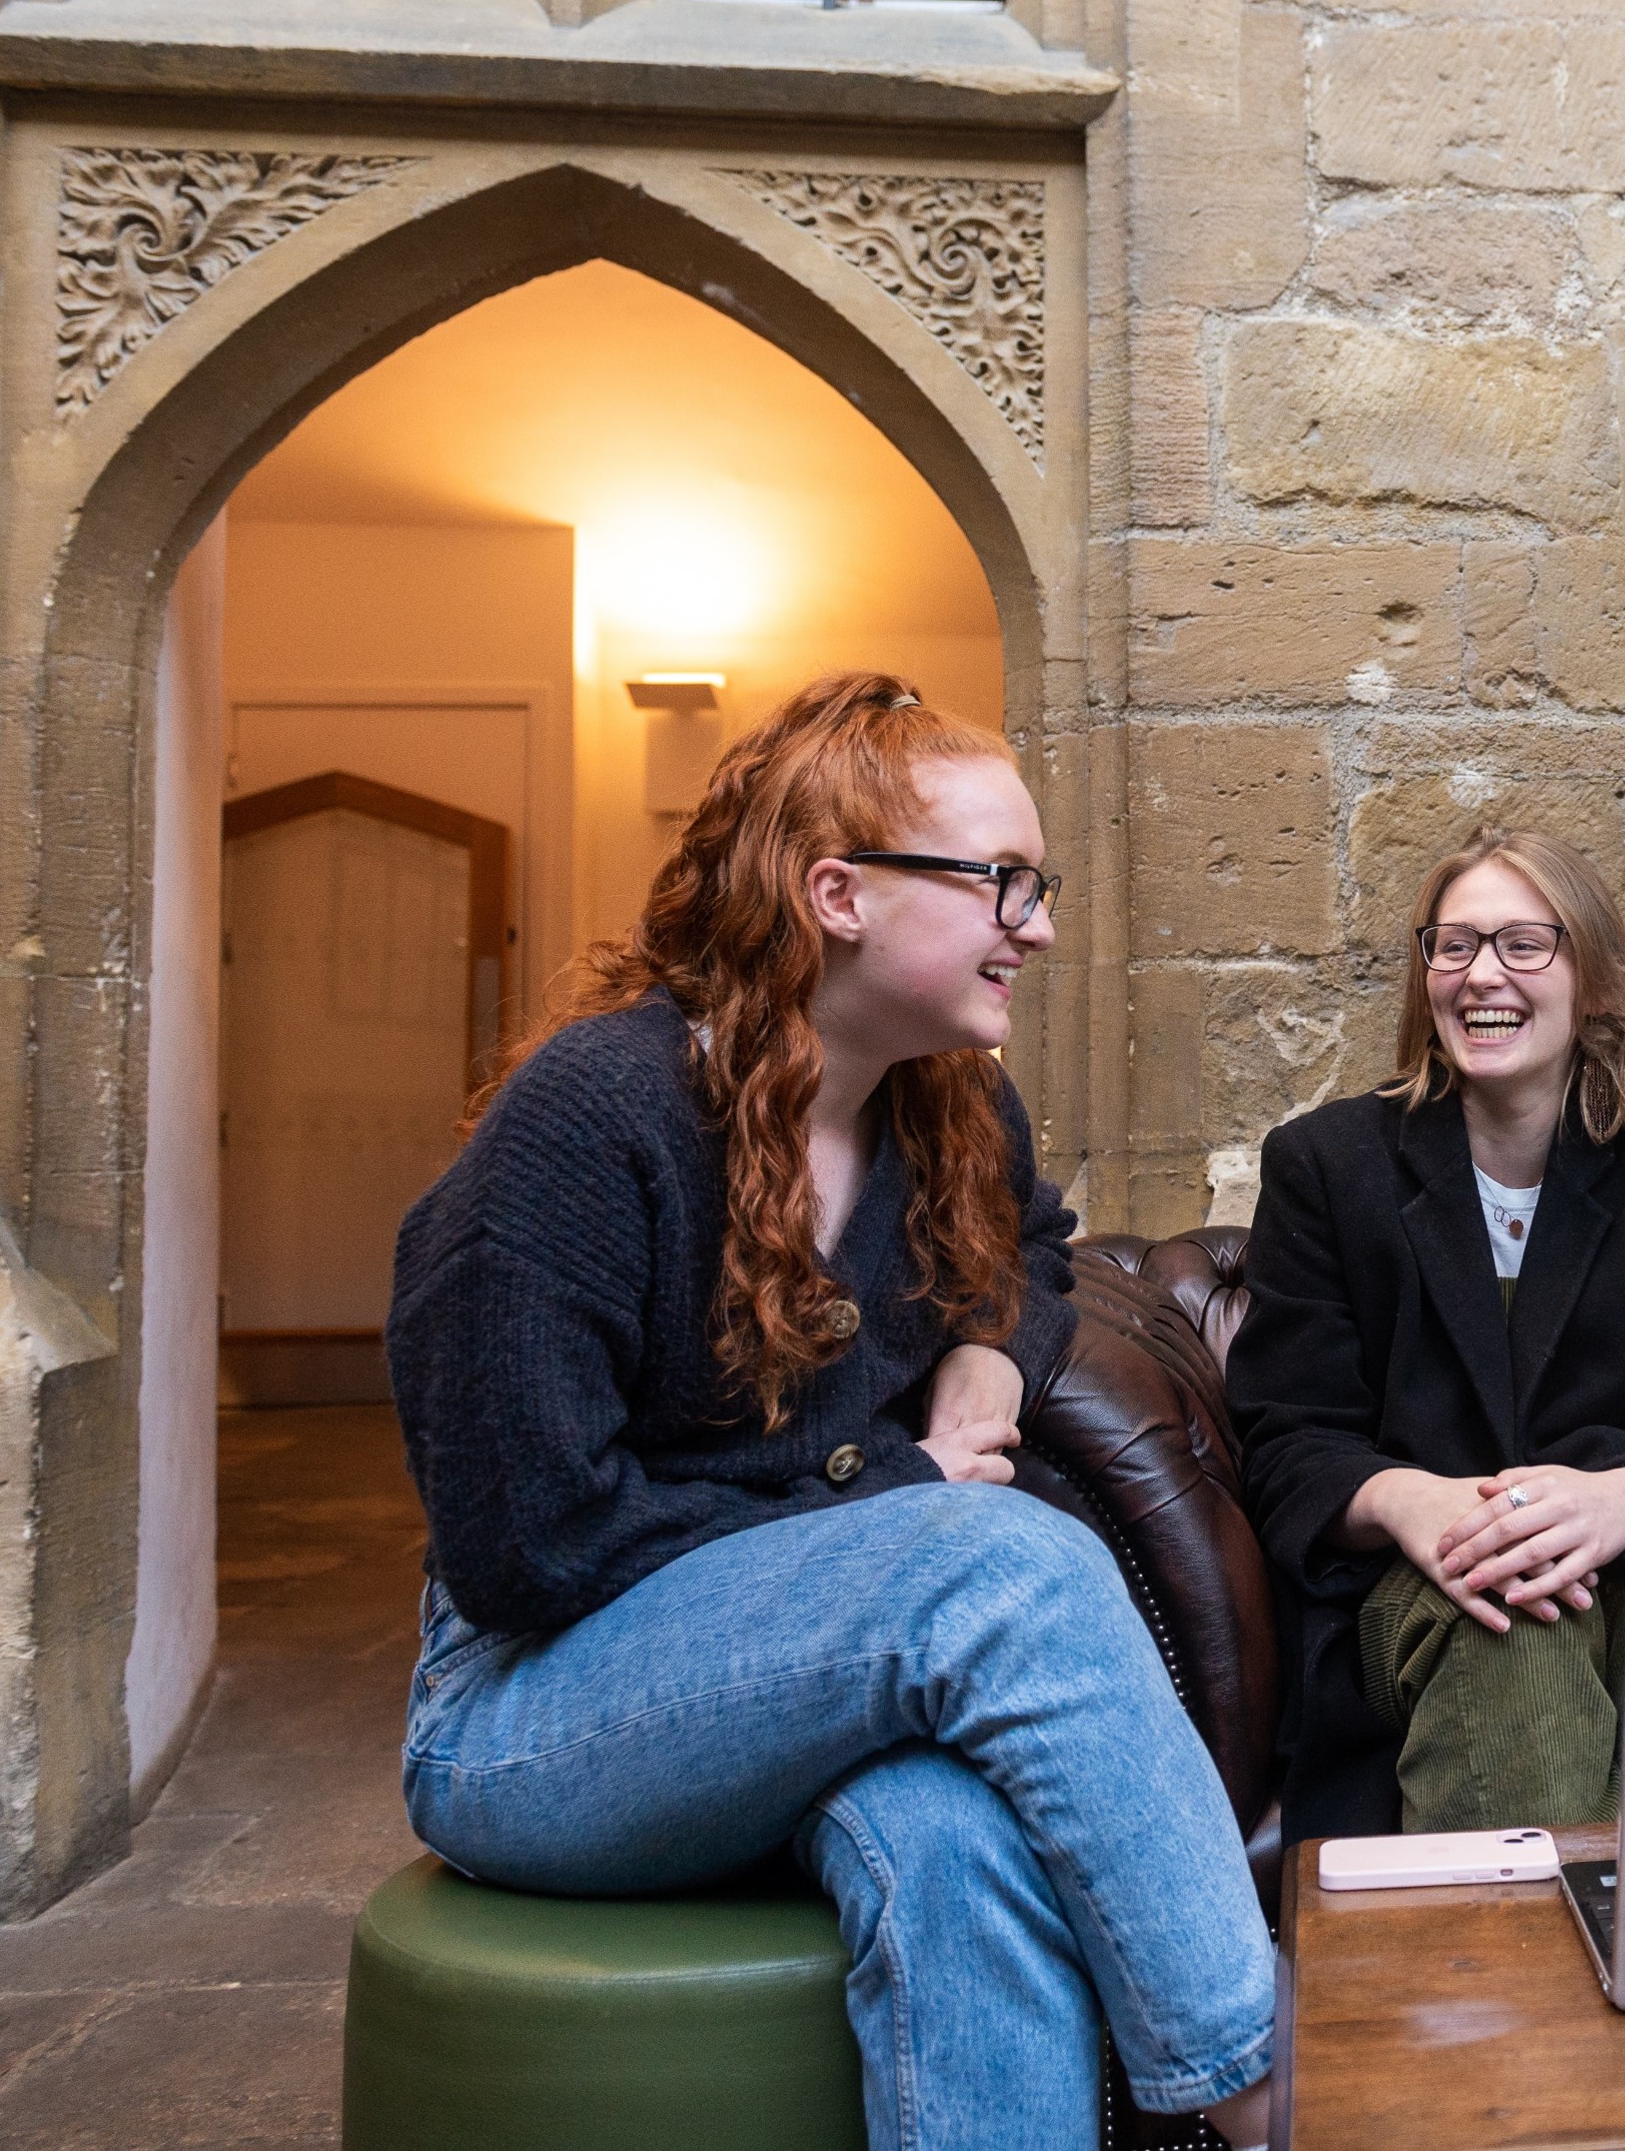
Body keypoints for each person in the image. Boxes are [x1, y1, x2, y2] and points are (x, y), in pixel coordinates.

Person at [385, 674, 1272, 2151]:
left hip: (774, 1685)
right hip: (526, 1712)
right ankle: (1261, 2091)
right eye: (1002, 881)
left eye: (1036, 885)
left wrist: (990, 1348)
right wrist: (904, 1489)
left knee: (956, 1838)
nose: (1037, 924)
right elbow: (530, 1550)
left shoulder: (954, 1107)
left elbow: (1035, 1246)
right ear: (837, 892)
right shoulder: (592, 1123)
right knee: (1007, 1564)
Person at [1225, 828, 1625, 1838]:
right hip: (1412, 1598)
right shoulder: (1328, 1167)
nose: (1482, 974)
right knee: (1519, 1623)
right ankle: (1524, 1985)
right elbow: (1287, 1446)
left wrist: (1620, 1498)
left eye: (1525, 945)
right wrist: (1417, 1504)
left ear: (1597, 979)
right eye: (1454, 946)